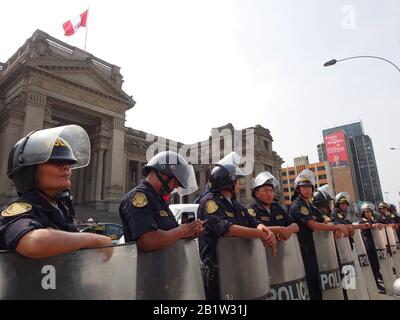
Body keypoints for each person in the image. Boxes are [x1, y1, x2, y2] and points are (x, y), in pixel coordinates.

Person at [0, 125, 112, 259]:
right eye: (56, 162)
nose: (67, 167)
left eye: (69, 163)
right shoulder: (18, 211)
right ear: (29, 171)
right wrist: (95, 240)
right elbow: (34, 242)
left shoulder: (62, 209)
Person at [197, 153, 276, 300]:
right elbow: (227, 229)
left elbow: (253, 222)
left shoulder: (235, 203)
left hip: (237, 265)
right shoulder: (210, 202)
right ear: (229, 182)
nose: (240, 184)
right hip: (217, 272)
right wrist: (262, 234)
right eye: (237, 181)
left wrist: (264, 230)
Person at [119, 151, 204, 251]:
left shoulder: (158, 200)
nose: (176, 186)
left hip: (164, 264)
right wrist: (181, 231)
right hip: (146, 266)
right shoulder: (139, 197)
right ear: (163, 173)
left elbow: (169, 234)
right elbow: (148, 241)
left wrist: (188, 233)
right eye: (176, 181)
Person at [289, 169, 348, 300]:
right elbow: (312, 224)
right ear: (298, 189)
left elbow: (325, 218)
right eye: (303, 187)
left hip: (318, 250)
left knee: (321, 285)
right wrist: (336, 227)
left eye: (309, 187)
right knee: (312, 286)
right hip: (305, 252)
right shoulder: (297, 206)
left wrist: (334, 227)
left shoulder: (310, 206)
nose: (307, 189)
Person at [248, 171, 298, 240]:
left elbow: (295, 225)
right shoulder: (252, 210)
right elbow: (254, 229)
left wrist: (286, 231)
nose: (269, 194)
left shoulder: (277, 207)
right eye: (265, 191)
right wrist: (279, 230)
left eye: (271, 190)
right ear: (256, 193)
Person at [358, 202, 385, 293]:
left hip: (375, 245)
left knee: (377, 265)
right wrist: (375, 225)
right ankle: (376, 286)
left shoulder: (373, 219)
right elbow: (369, 225)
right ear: (363, 212)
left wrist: (379, 224)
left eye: (370, 211)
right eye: (366, 212)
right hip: (368, 246)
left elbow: (377, 224)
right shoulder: (362, 220)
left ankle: (379, 277)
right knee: (372, 266)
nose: (368, 213)